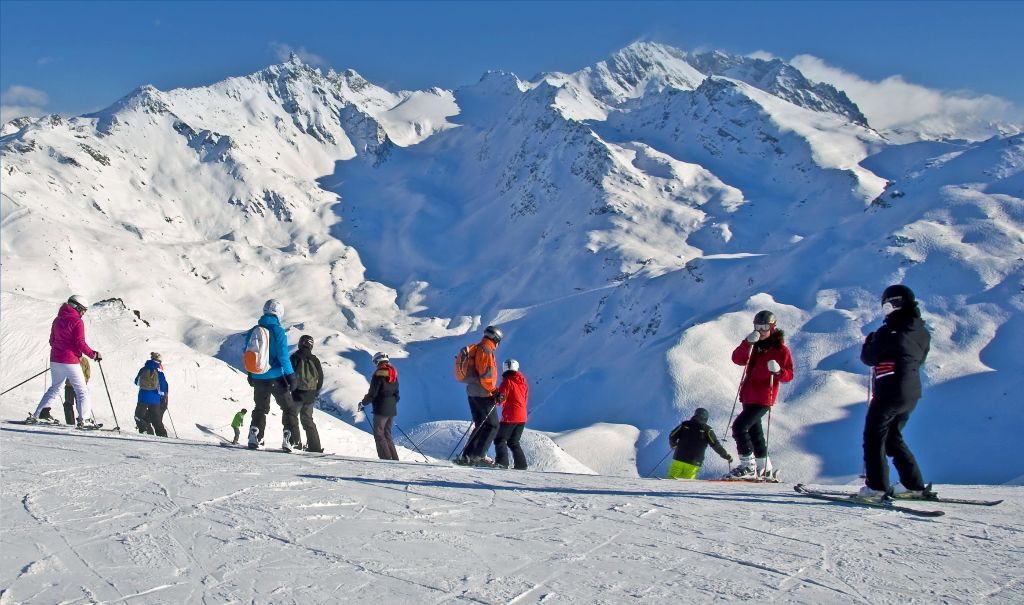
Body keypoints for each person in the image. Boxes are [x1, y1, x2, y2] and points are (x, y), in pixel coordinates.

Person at [856, 284, 931, 502]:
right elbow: (920, 358)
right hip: (911, 391)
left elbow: (869, 358)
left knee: (874, 437)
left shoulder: (889, 331)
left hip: (890, 388)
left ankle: (876, 487)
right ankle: (913, 485)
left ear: (897, 304)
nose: (887, 312)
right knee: (892, 437)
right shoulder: (921, 332)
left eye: (888, 306)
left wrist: (869, 342)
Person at [725, 310, 794, 479]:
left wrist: (778, 370)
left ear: (772, 328)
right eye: (757, 326)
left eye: (764, 327)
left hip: (764, 397)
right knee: (756, 434)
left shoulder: (780, 350)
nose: (760, 330)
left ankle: (748, 466)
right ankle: (765, 469)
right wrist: (747, 343)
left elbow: (789, 375)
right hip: (748, 396)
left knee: (739, 427)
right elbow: (738, 359)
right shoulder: (753, 345)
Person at [28, 295, 102, 428]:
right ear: (77, 307)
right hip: (70, 360)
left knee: (55, 387)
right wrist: (93, 355)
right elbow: (80, 343)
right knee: (81, 390)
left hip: (55, 359)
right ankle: (84, 420)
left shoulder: (57, 320)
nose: (83, 313)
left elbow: (52, 341)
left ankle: (40, 414)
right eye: (83, 310)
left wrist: (60, 351)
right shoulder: (77, 321)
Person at [244, 299, 299, 451]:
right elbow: (283, 356)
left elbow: (247, 353)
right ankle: (289, 439)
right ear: (279, 314)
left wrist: (250, 373)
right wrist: (291, 376)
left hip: (258, 376)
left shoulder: (254, 330)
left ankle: (255, 435)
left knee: (260, 408)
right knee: (289, 408)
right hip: (276, 377)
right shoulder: (278, 331)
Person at [456, 325, 503, 465]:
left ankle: (467, 457)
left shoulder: (478, 348)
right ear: (495, 338)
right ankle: (478, 457)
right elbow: (486, 377)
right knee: (493, 425)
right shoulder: (486, 351)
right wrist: (495, 391)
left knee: (480, 424)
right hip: (483, 392)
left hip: (472, 392)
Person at [666, 408, 732, 479]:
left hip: (679, 457)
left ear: (695, 415)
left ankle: (668, 488)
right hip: (695, 460)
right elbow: (715, 445)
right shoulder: (707, 429)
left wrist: (674, 445)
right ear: (706, 418)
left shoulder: (685, 425)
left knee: (672, 477)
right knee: (687, 481)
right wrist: (726, 455)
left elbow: (672, 435)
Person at [360, 352, 400, 460]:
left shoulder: (378, 374)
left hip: (381, 409)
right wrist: (390, 403)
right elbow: (397, 395)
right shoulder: (393, 373)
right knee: (387, 434)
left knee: (379, 434)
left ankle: (386, 459)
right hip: (392, 408)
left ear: (377, 361)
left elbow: (373, 393)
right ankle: (394, 459)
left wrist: (363, 403)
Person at [289, 335, 324, 452]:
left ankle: (294, 443)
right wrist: (315, 391)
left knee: (292, 417)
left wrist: (289, 388)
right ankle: (315, 447)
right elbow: (321, 378)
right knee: (308, 420)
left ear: (300, 343)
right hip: (310, 395)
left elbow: (289, 374)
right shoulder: (315, 359)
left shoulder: (294, 357)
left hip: (296, 394)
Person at [493, 358, 529, 470]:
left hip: (510, 415)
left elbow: (501, 399)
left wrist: (496, 398)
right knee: (514, 441)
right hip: (522, 416)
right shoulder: (523, 383)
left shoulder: (507, 381)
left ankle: (502, 463)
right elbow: (525, 399)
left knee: (500, 439)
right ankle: (521, 465)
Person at [38, 354, 90, 425]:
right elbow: (87, 374)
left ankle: (79, 420)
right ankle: (76, 421)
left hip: (73, 386)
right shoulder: (78, 360)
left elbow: (87, 373)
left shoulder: (82, 360)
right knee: (71, 404)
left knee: (71, 404)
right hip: (71, 386)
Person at [133, 357, 168, 437]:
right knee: (156, 420)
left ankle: (146, 430)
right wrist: (162, 394)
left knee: (138, 416)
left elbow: (136, 382)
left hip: (142, 398)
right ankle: (162, 435)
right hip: (155, 399)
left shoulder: (143, 369)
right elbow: (163, 386)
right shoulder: (159, 372)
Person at [151, 352, 169, 429]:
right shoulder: (157, 368)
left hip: (158, 398)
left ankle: (160, 435)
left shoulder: (154, 368)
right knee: (156, 419)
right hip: (160, 398)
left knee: (156, 419)